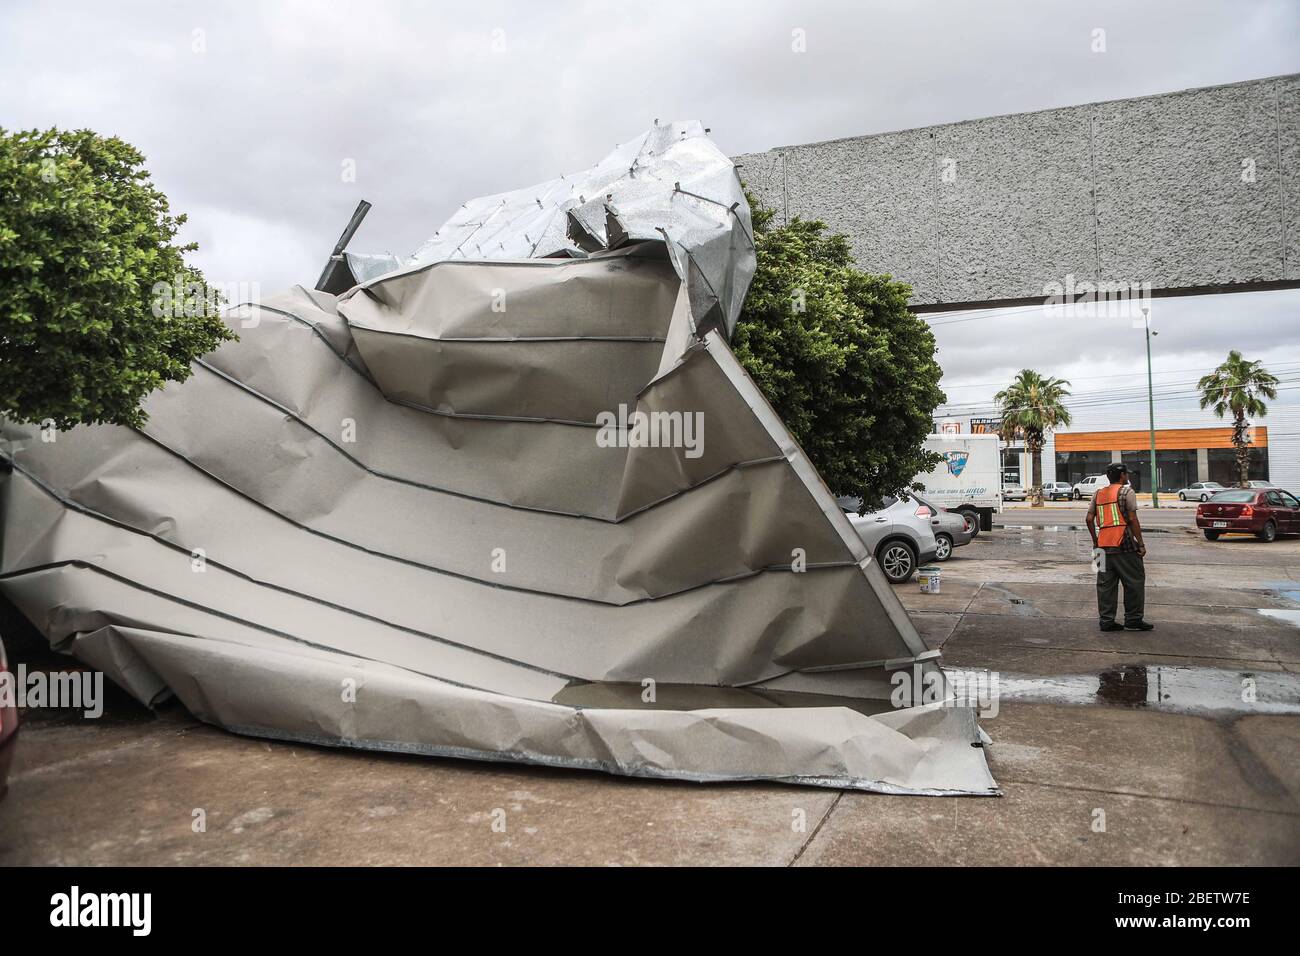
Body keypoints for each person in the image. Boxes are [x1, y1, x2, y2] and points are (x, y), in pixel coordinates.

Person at [1085, 463, 1154, 632]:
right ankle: (1133, 620)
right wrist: (1142, 544)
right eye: (1126, 474)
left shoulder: (1098, 493)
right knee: (1134, 582)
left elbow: (1088, 519)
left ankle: (1106, 621)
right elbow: (1132, 519)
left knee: (1104, 585)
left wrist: (1095, 541)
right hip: (1124, 544)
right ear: (1122, 475)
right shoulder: (1127, 491)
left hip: (1101, 546)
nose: (1128, 476)